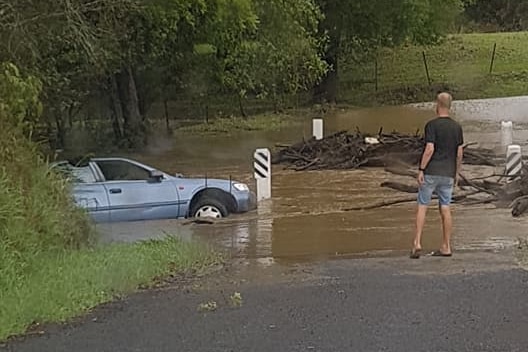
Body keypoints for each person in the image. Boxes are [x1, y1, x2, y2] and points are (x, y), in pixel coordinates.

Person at [410, 92, 464, 259]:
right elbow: (459, 153)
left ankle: (417, 243)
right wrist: (456, 173)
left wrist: (421, 169)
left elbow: (430, 149)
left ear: (437, 105)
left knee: (423, 205)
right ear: (450, 106)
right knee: (445, 207)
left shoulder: (431, 125)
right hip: (447, 174)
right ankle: (446, 246)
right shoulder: (457, 127)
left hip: (432, 171)